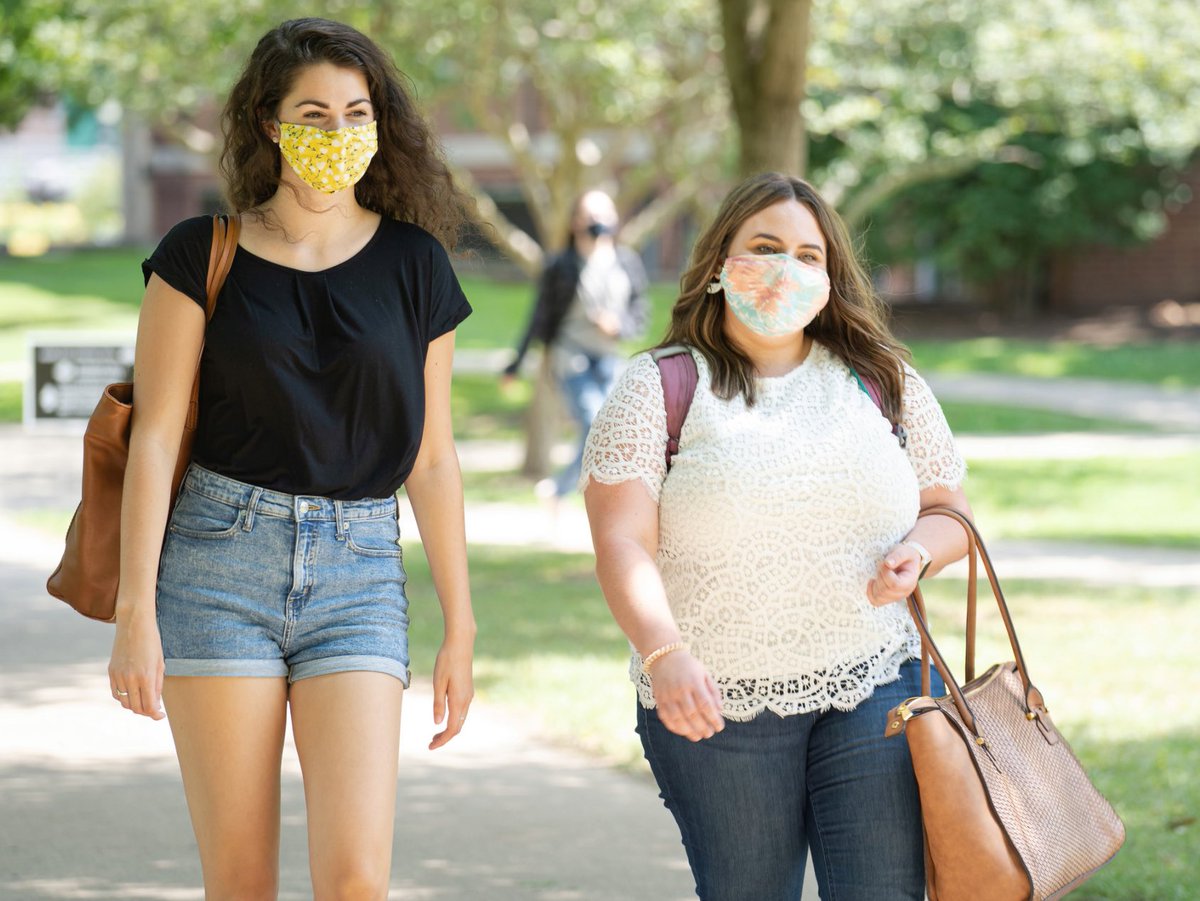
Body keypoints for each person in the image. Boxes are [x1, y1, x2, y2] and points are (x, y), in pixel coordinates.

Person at [107, 18, 476, 899]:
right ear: (271, 123)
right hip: (215, 566)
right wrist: (133, 610)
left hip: (358, 576)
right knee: (241, 882)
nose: (339, 132)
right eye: (315, 111)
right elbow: (156, 435)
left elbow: (431, 457)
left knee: (357, 881)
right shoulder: (201, 254)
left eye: (357, 112)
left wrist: (459, 621)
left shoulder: (415, 265)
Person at [581, 172, 972, 901]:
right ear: (720, 264)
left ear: (830, 276)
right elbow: (622, 543)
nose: (786, 268)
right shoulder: (660, 386)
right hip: (715, 704)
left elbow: (949, 508)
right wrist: (664, 652)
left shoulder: (880, 379)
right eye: (765, 247)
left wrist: (918, 550)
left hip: (875, 681)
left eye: (807, 254)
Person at [504, 189, 649, 498]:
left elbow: (640, 314)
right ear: (575, 222)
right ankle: (561, 489)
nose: (596, 222)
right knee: (593, 420)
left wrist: (617, 325)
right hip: (570, 357)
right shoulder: (561, 265)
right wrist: (515, 364)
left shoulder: (626, 262)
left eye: (602, 215)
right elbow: (538, 316)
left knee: (612, 428)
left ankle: (568, 491)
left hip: (608, 356)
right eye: (588, 215)